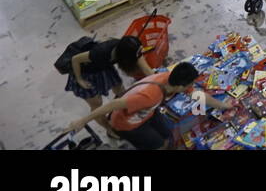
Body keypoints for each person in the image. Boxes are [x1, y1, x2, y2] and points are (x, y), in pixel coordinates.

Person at [64, 62, 231, 150]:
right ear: (181, 86)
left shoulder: (169, 78)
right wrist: (82, 120)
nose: (191, 87)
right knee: (158, 145)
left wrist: (224, 106)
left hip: (148, 113)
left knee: (167, 134)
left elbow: (199, 96)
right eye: (190, 84)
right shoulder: (148, 96)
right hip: (127, 124)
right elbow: (113, 104)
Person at [58, 34, 150, 136]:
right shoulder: (101, 52)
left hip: (103, 67)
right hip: (85, 72)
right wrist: (79, 79)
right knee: (97, 104)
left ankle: (125, 115)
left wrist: (160, 80)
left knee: (121, 90)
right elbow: (75, 59)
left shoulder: (129, 49)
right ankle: (109, 129)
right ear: (124, 57)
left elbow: (146, 68)